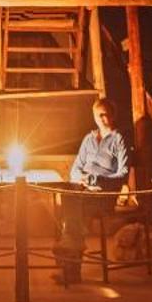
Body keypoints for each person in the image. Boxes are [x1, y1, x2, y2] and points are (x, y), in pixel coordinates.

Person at [55, 96, 130, 283]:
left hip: (102, 195)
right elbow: (76, 167)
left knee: (72, 212)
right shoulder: (88, 139)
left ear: (113, 116)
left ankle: (69, 260)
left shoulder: (118, 139)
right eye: (99, 115)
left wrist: (96, 179)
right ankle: (71, 260)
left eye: (106, 115)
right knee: (69, 197)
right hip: (83, 190)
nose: (103, 119)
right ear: (94, 116)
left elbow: (123, 174)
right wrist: (79, 178)